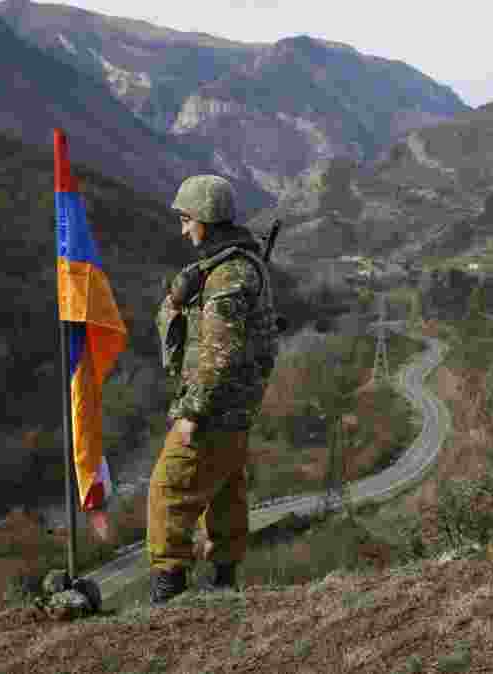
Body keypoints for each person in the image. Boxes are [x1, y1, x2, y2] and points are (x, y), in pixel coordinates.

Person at [148, 175, 280, 606]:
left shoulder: (228, 275)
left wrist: (192, 411)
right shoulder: (231, 266)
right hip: (234, 408)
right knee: (224, 488)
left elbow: (220, 353)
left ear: (204, 219)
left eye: (186, 219)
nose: (183, 229)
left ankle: (169, 590)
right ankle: (223, 583)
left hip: (215, 408)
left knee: (169, 488)